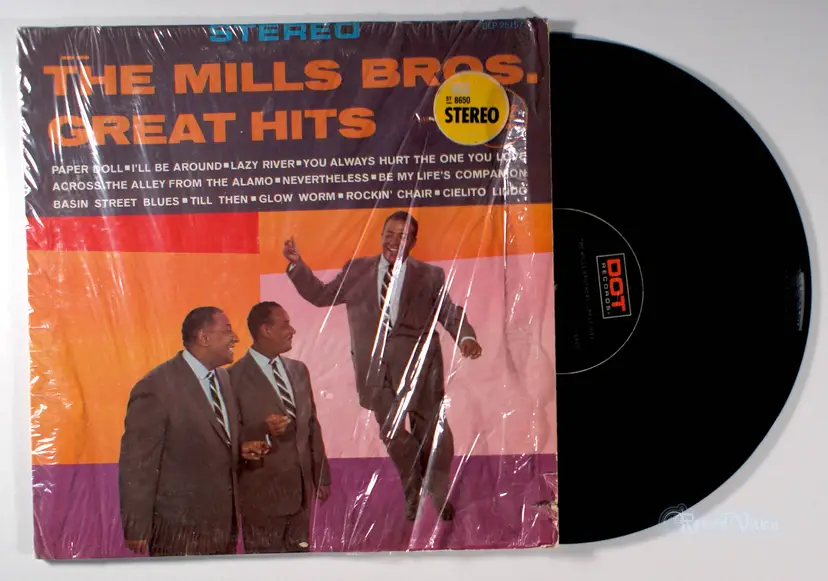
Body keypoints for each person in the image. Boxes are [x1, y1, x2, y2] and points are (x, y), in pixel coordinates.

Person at [283, 210, 482, 522]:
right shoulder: (357, 270)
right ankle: (413, 490)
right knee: (393, 433)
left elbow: (447, 311)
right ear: (381, 236)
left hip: (421, 370)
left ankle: (438, 491)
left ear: (413, 241)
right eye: (389, 234)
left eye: (402, 236)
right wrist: (297, 265)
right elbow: (321, 295)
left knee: (432, 434)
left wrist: (466, 337)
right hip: (374, 372)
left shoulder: (429, 275)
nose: (393, 241)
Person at [118, 306, 261, 557]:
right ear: (204, 338)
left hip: (222, 527)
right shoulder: (155, 387)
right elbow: (138, 463)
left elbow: (215, 436)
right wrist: (136, 526)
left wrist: (240, 449)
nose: (236, 338)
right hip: (177, 531)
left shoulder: (223, 379)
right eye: (227, 330)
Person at [230, 301, 331, 553]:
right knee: (266, 568)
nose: (292, 330)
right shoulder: (232, 378)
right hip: (261, 496)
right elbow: (226, 437)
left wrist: (321, 476)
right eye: (285, 324)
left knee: (299, 567)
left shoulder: (299, 371)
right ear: (266, 330)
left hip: (301, 494)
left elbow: (311, 425)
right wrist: (262, 429)